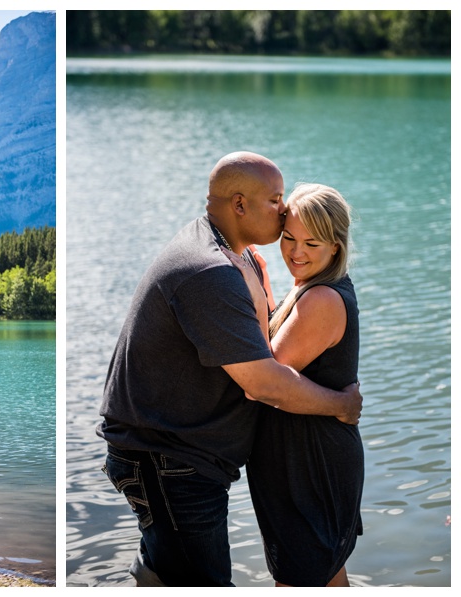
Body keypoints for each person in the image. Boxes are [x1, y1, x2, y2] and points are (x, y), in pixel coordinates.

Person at [96, 151, 363, 587]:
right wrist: (342, 405)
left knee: (182, 576)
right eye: (275, 199)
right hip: (168, 459)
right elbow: (264, 382)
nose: (283, 209)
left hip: (189, 458)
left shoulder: (239, 257)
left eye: (310, 241)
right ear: (239, 205)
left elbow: (264, 348)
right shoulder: (211, 271)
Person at [223, 183, 362, 587]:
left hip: (309, 465)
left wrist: (248, 286)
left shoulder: (321, 299)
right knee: (326, 576)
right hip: (306, 457)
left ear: (335, 247)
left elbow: (263, 383)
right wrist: (262, 282)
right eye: (288, 239)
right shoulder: (310, 286)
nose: (296, 253)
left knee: (298, 579)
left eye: (311, 243)